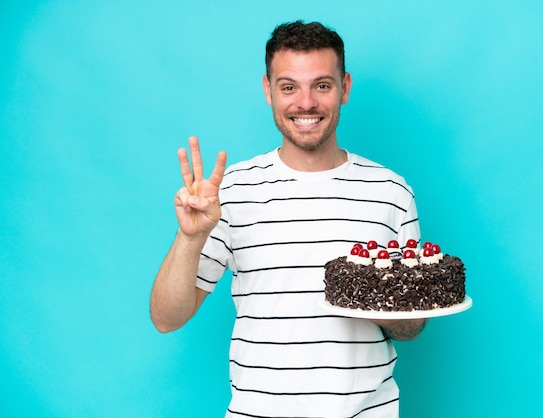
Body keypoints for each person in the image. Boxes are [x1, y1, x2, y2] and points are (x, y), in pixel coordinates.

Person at [150, 20, 427, 417]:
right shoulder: (230, 191)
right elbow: (166, 318)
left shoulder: (391, 192)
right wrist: (190, 238)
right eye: (288, 87)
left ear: (344, 88)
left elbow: (412, 326)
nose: (306, 103)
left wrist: (394, 310)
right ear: (268, 90)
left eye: (322, 85)